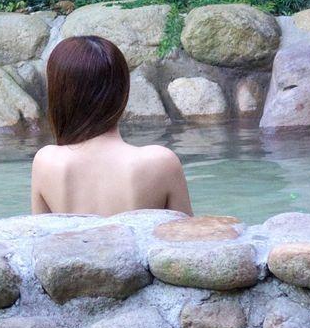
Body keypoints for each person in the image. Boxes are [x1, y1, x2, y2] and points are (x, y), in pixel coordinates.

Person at [30, 33, 193, 216]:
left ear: (58, 96)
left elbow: (43, 239)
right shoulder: (161, 162)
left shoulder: (47, 162)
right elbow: (185, 239)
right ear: (123, 91)